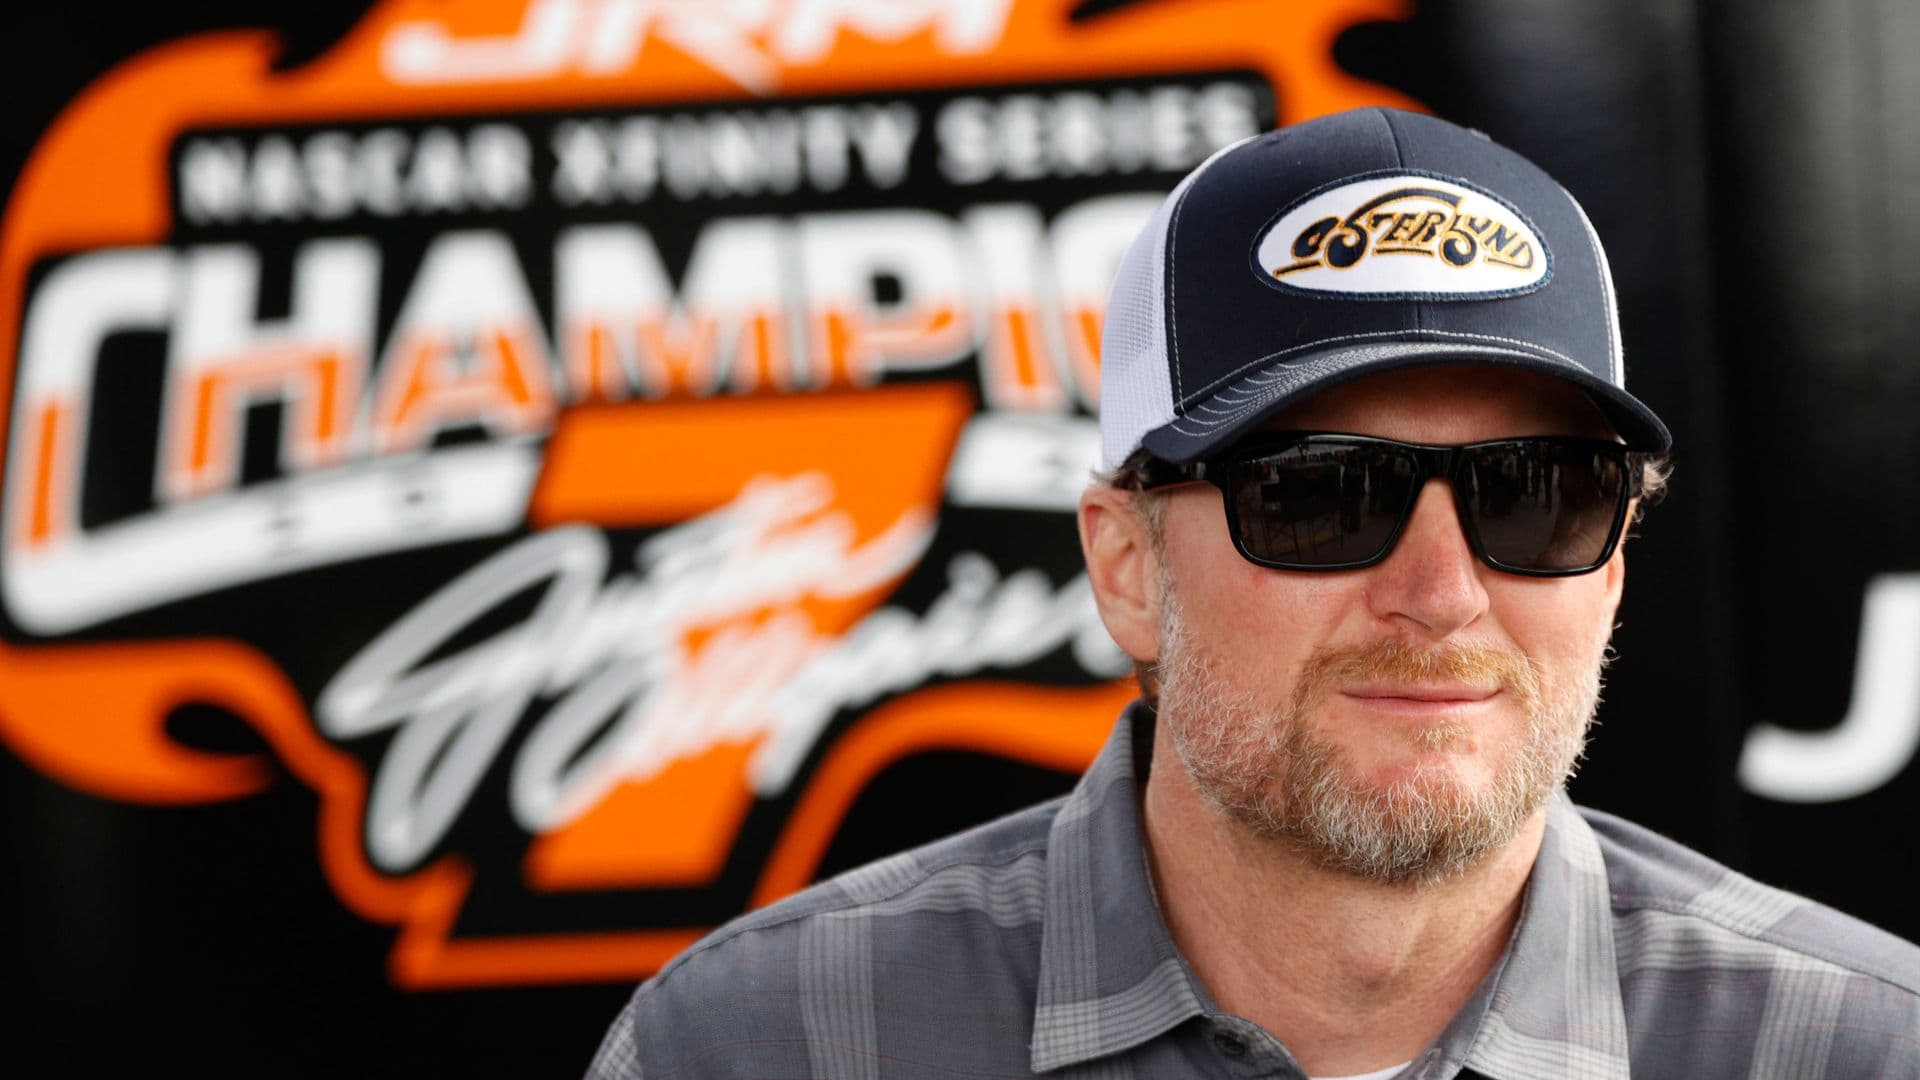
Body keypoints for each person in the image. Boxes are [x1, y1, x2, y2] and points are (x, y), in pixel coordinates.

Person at [588, 108, 1920, 1079]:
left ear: (1616, 559)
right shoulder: (761, 1045)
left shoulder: (1862, 1046)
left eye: (1538, 491)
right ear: (1126, 569)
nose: (1444, 591)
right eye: (1323, 493)